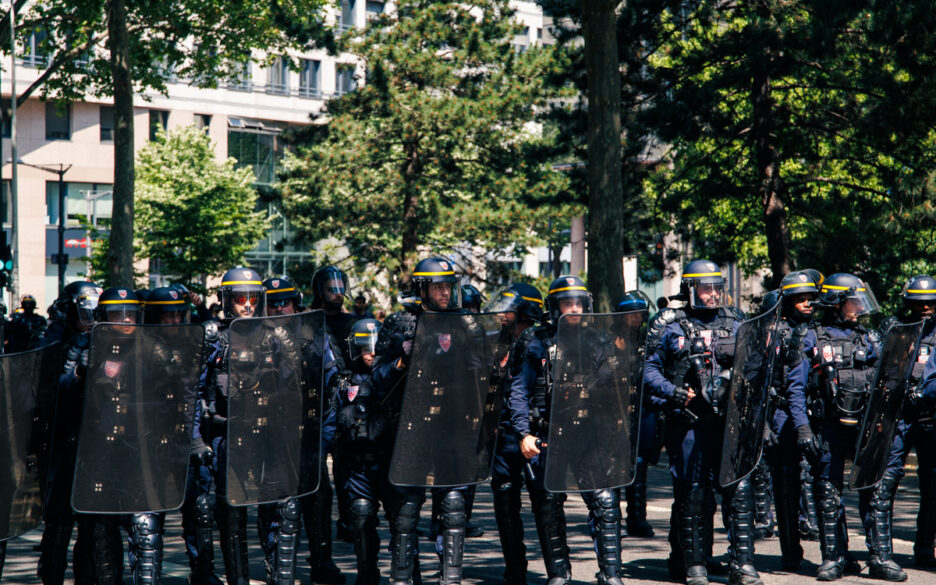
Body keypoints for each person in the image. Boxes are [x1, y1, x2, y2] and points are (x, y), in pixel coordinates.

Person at [643, 260, 762, 585]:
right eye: (705, 288)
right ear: (690, 289)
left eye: (716, 288)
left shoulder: (736, 321)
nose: (712, 294)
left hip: (728, 423)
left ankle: (743, 565)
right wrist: (673, 391)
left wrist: (733, 381)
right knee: (693, 494)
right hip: (689, 423)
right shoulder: (670, 324)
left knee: (739, 493)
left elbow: (753, 363)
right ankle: (694, 566)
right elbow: (648, 368)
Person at [509, 275, 625, 585]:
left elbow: (615, 389)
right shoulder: (536, 341)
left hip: (591, 436)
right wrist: (523, 433)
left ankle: (610, 574)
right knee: (548, 506)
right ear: (554, 308)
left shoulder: (599, 341)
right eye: (566, 303)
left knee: (605, 502)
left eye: (577, 303)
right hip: (548, 437)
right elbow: (518, 390)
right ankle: (559, 574)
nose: (573, 309)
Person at [859, 275, 936, 579]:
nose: (926, 307)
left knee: (932, 488)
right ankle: (881, 555)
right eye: (919, 302)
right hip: (898, 418)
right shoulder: (896, 330)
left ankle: (925, 549)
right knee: (884, 483)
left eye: (931, 301)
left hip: (931, 418)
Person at [806, 273, 882, 581]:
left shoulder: (867, 336)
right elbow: (798, 387)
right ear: (837, 303)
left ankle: (880, 556)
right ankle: (834, 557)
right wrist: (802, 427)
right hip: (828, 427)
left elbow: (883, 380)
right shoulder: (814, 337)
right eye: (854, 301)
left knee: (872, 489)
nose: (860, 307)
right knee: (828, 491)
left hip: (862, 427)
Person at [197, 267, 266, 585]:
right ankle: (236, 578)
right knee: (230, 513)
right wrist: (200, 437)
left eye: (252, 298)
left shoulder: (271, 336)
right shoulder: (213, 336)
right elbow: (196, 390)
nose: (247, 305)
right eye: (240, 298)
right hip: (226, 435)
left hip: (265, 436)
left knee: (278, 510)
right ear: (227, 300)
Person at [37, 281, 102, 585]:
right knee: (59, 525)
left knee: (92, 530)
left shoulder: (105, 342)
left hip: (96, 447)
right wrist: (76, 371)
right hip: (61, 445)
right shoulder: (51, 342)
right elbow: (46, 392)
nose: (92, 321)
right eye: (87, 314)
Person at [484, 283, 546, 585]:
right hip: (503, 435)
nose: (501, 312)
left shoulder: (536, 342)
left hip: (532, 435)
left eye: (509, 307)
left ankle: (557, 572)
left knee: (544, 505)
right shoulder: (498, 342)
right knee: (505, 503)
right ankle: (515, 568)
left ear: (524, 311)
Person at [763, 271, 819, 572]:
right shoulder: (774, 332)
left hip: (820, 413)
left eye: (810, 297)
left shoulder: (820, 329)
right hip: (784, 414)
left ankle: (836, 553)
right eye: (800, 299)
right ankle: (790, 550)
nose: (807, 303)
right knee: (786, 484)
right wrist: (764, 424)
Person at [334, 317, 386, 585]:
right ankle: (367, 574)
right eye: (366, 347)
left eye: (376, 346)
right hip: (356, 465)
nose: (372, 352)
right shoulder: (344, 381)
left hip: (388, 462)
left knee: (404, 522)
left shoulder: (391, 376)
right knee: (362, 518)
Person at [617, 290, 659, 538]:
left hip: (642, 405)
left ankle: (637, 517)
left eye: (639, 312)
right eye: (630, 312)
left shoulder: (648, 339)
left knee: (639, 462)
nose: (635, 317)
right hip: (616, 406)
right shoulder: (610, 339)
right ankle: (612, 517)